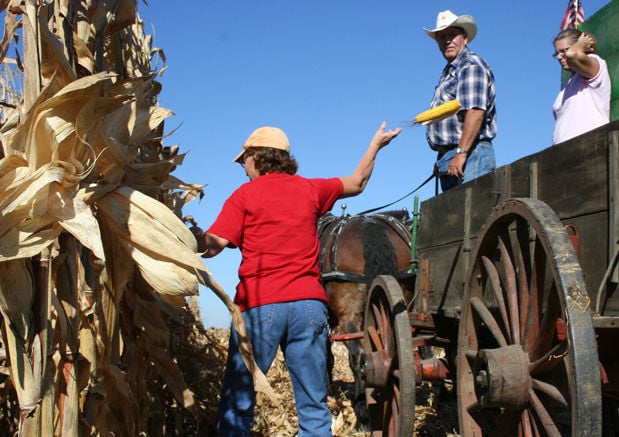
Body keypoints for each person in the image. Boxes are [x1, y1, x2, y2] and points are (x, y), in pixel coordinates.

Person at [195, 122, 401, 436]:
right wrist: (375, 146)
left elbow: (212, 246)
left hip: (260, 306)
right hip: (308, 307)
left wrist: (183, 236)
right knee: (314, 407)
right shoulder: (310, 188)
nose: (243, 167)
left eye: (244, 160)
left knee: (238, 403)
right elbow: (358, 182)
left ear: (257, 157)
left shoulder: (244, 195)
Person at [423, 10, 497, 192]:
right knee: (454, 219)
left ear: (465, 38)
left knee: (471, 217)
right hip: (451, 157)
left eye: (452, 35)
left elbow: (475, 111)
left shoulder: (470, 65)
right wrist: (443, 156)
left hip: (471, 154)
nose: (447, 40)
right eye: (441, 37)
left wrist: (461, 153)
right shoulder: (449, 72)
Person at [552, 29, 611, 145]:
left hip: (591, 146)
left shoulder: (596, 65)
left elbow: (572, 55)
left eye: (564, 50)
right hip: (563, 154)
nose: (559, 57)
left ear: (582, 47)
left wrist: (579, 46)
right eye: (556, 53)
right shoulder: (567, 84)